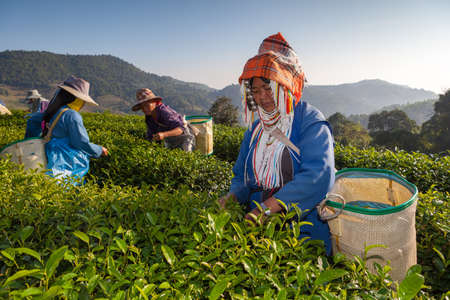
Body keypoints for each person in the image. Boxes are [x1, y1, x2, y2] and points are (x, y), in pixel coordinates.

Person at [218, 33, 335, 255]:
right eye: (256, 90)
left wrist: (270, 208)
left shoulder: (309, 120)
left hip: (302, 231)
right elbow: (242, 177)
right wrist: (232, 197)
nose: (262, 97)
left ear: (285, 85)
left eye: (268, 88)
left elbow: (318, 175)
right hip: (257, 228)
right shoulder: (255, 129)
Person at [25, 75, 108, 183]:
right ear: (76, 99)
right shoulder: (72, 115)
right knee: (66, 187)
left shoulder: (52, 110)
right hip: (64, 160)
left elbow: (32, 121)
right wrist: (99, 150)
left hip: (46, 153)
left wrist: (32, 140)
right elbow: (79, 142)